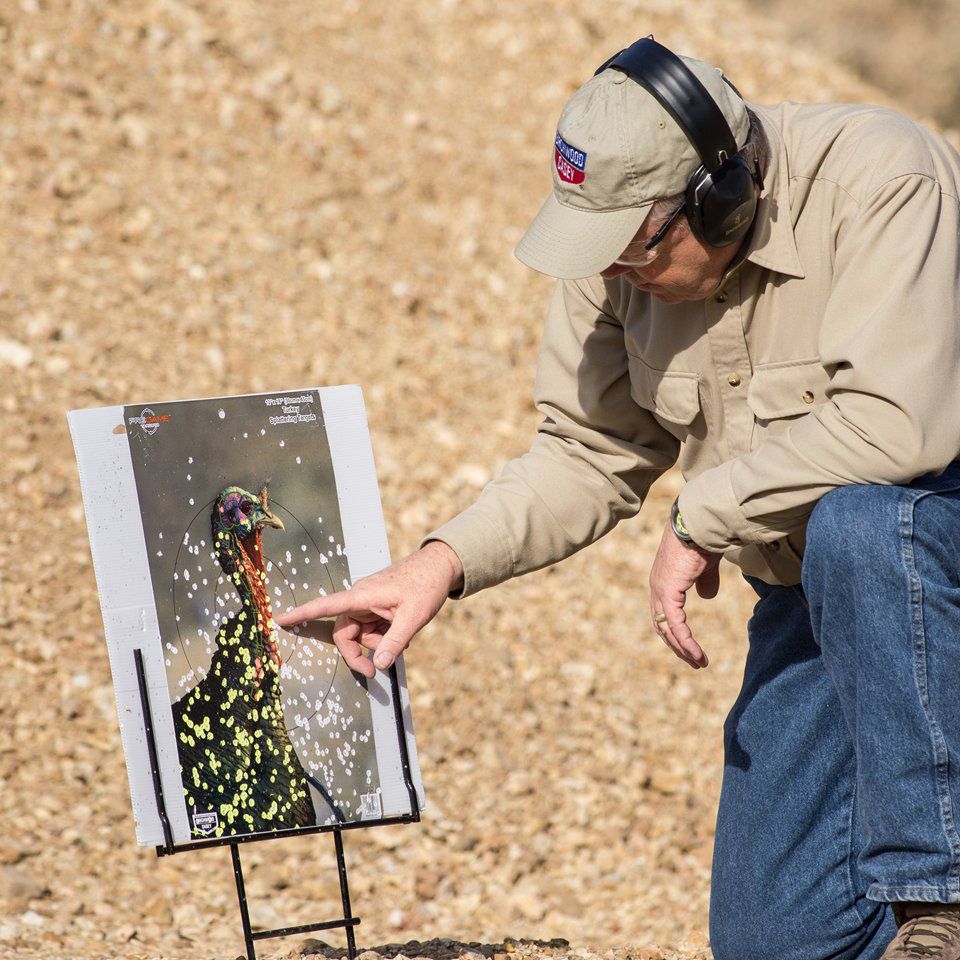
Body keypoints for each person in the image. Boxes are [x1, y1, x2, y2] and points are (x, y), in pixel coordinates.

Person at [278, 37, 960, 960]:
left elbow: (895, 429)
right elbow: (588, 449)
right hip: (818, 596)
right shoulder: (614, 255)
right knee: (774, 942)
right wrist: (439, 566)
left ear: (722, 198)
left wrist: (699, 515)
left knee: (861, 522)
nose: (609, 276)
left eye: (632, 250)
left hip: (925, 545)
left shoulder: (885, 178)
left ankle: (944, 900)